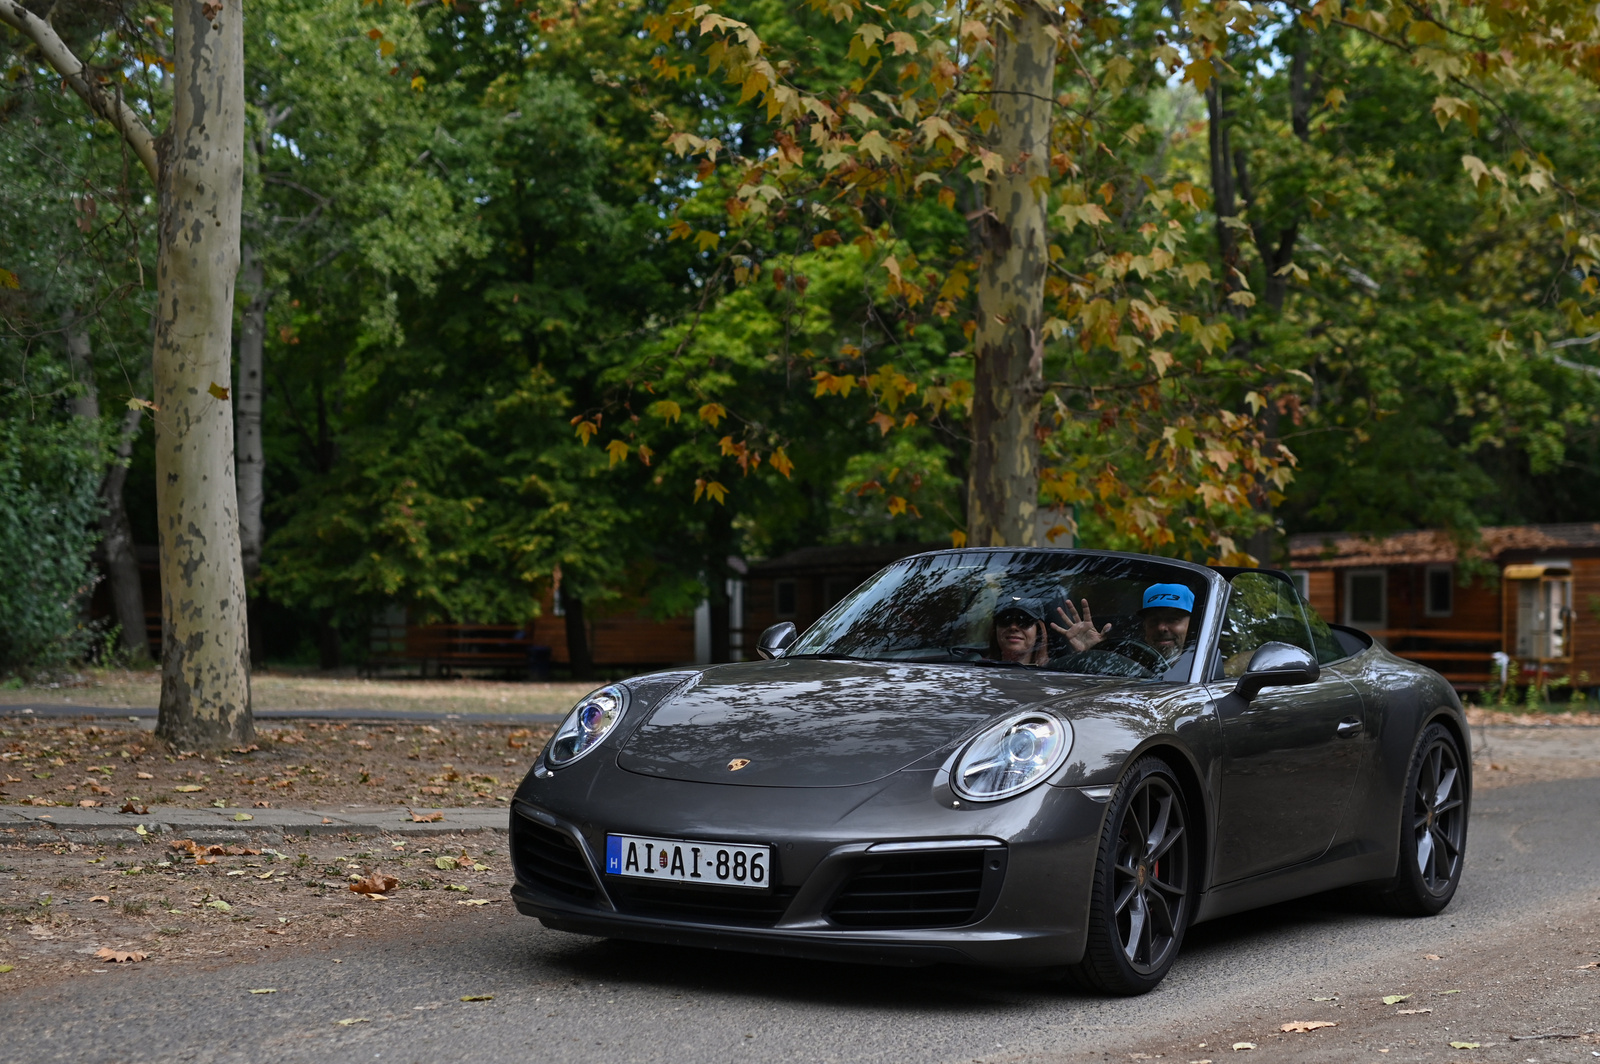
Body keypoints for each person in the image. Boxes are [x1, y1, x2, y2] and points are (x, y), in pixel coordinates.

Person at [1051, 583, 1195, 663]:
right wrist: (1092, 653)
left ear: (1192, 625)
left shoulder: (1208, 668)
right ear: (1144, 628)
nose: (1161, 627)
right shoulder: (1128, 665)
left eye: (1172, 619)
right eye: (1154, 621)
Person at [988, 597, 1051, 665]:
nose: (1013, 627)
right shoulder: (977, 669)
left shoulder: (1055, 672)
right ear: (995, 629)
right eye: (1006, 620)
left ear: (1038, 631)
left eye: (1023, 621)